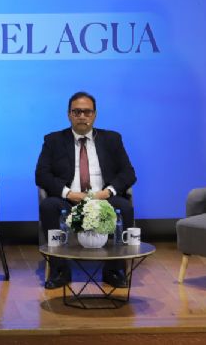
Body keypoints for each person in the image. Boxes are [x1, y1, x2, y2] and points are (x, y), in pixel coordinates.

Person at [35, 91, 137, 289]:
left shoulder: (112, 139)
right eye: (77, 112)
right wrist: (68, 193)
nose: (82, 116)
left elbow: (128, 173)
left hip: (102, 197)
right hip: (69, 198)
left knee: (125, 207)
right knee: (49, 206)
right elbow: (42, 175)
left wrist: (106, 193)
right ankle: (60, 271)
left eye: (87, 112)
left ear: (95, 115)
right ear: (69, 115)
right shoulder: (53, 140)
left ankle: (114, 270)